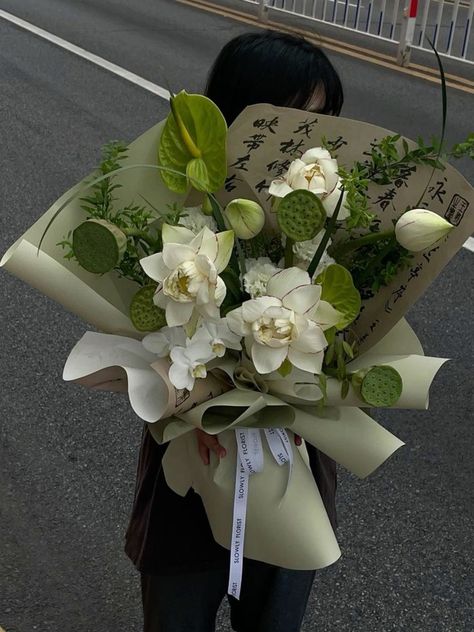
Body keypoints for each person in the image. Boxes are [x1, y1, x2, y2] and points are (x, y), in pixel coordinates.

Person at [125, 30, 344, 632]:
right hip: (194, 463)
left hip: (291, 468)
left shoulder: (339, 223)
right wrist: (195, 398)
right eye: (291, 119)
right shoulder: (175, 214)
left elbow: (354, 341)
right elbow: (141, 332)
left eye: (322, 122)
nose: (308, 142)